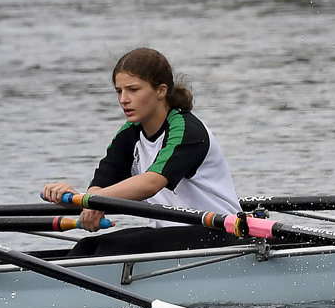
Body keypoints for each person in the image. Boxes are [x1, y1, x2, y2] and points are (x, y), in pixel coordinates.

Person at [41, 47, 242, 256]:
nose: (123, 99)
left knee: (111, 249)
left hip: (220, 234)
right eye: (119, 91)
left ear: (161, 91)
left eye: (133, 90)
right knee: (88, 247)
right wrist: (91, 204)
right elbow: (103, 182)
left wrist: (87, 200)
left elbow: (151, 183)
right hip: (171, 234)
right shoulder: (130, 133)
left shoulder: (186, 130)